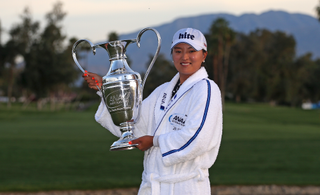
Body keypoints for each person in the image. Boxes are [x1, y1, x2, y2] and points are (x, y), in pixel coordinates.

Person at [83, 28, 223, 195]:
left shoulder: (207, 89)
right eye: (178, 51)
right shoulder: (163, 91)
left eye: (192, 51)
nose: (184, 57)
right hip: (152, 187)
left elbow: (199, 139)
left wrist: (155, 141)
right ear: (172, 55)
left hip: (185, 187)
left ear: (204, 55)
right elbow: (133, 126)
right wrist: (106, 90)